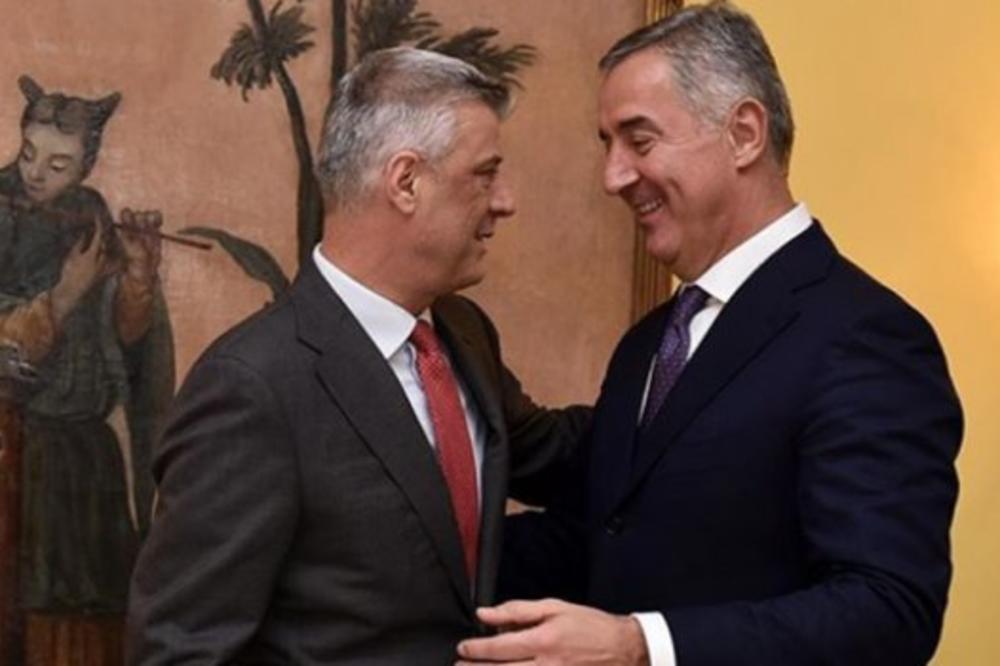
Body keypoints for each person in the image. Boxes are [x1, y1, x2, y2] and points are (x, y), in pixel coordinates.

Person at [457, 3, 963, 665]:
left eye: (639, 141)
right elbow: (604, 539)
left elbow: (887, 611)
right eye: (608, 145)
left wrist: (642, 646)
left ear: (744, 133)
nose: (613, 177)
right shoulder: (649, 344)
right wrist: (384, 548)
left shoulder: (866, 337)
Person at [126, 47, 588, 664]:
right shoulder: (252, 387)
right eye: (485, 174)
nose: (505, 201)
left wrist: (691, 378)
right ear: (406, 182)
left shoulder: (463, 332)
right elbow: (179, 654)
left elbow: (554, 454)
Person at [0, 75, 169, 661]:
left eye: (58, 164)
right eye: (29, 154)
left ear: (85, 167)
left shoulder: (90, 216)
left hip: (85, 457)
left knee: (94, 626)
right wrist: (63, 296)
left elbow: (118, 341)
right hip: (14, 453)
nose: (35, 173)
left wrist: (138, 278)